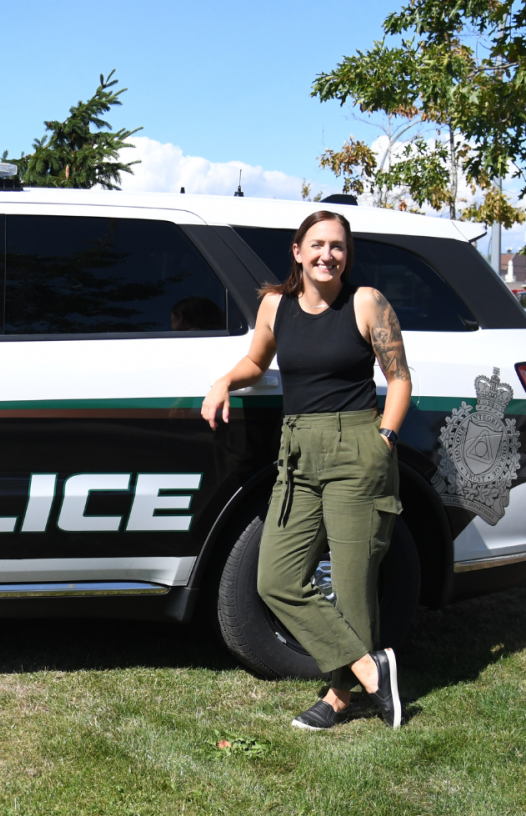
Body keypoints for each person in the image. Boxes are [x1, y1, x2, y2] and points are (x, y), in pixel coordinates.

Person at [201, 210, 411, 730]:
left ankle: (341, 694)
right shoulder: (276, 306)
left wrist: (384, 438)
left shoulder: (365, 303)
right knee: (275, 577)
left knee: (353, 580)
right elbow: (257, 361)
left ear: (347, 255)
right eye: (317, 244)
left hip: (357, 445)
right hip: (296, 451)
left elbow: (400, 378)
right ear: (297, 251)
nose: (327, 255)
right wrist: (225, 380)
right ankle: (369, 667)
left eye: (337, 246)